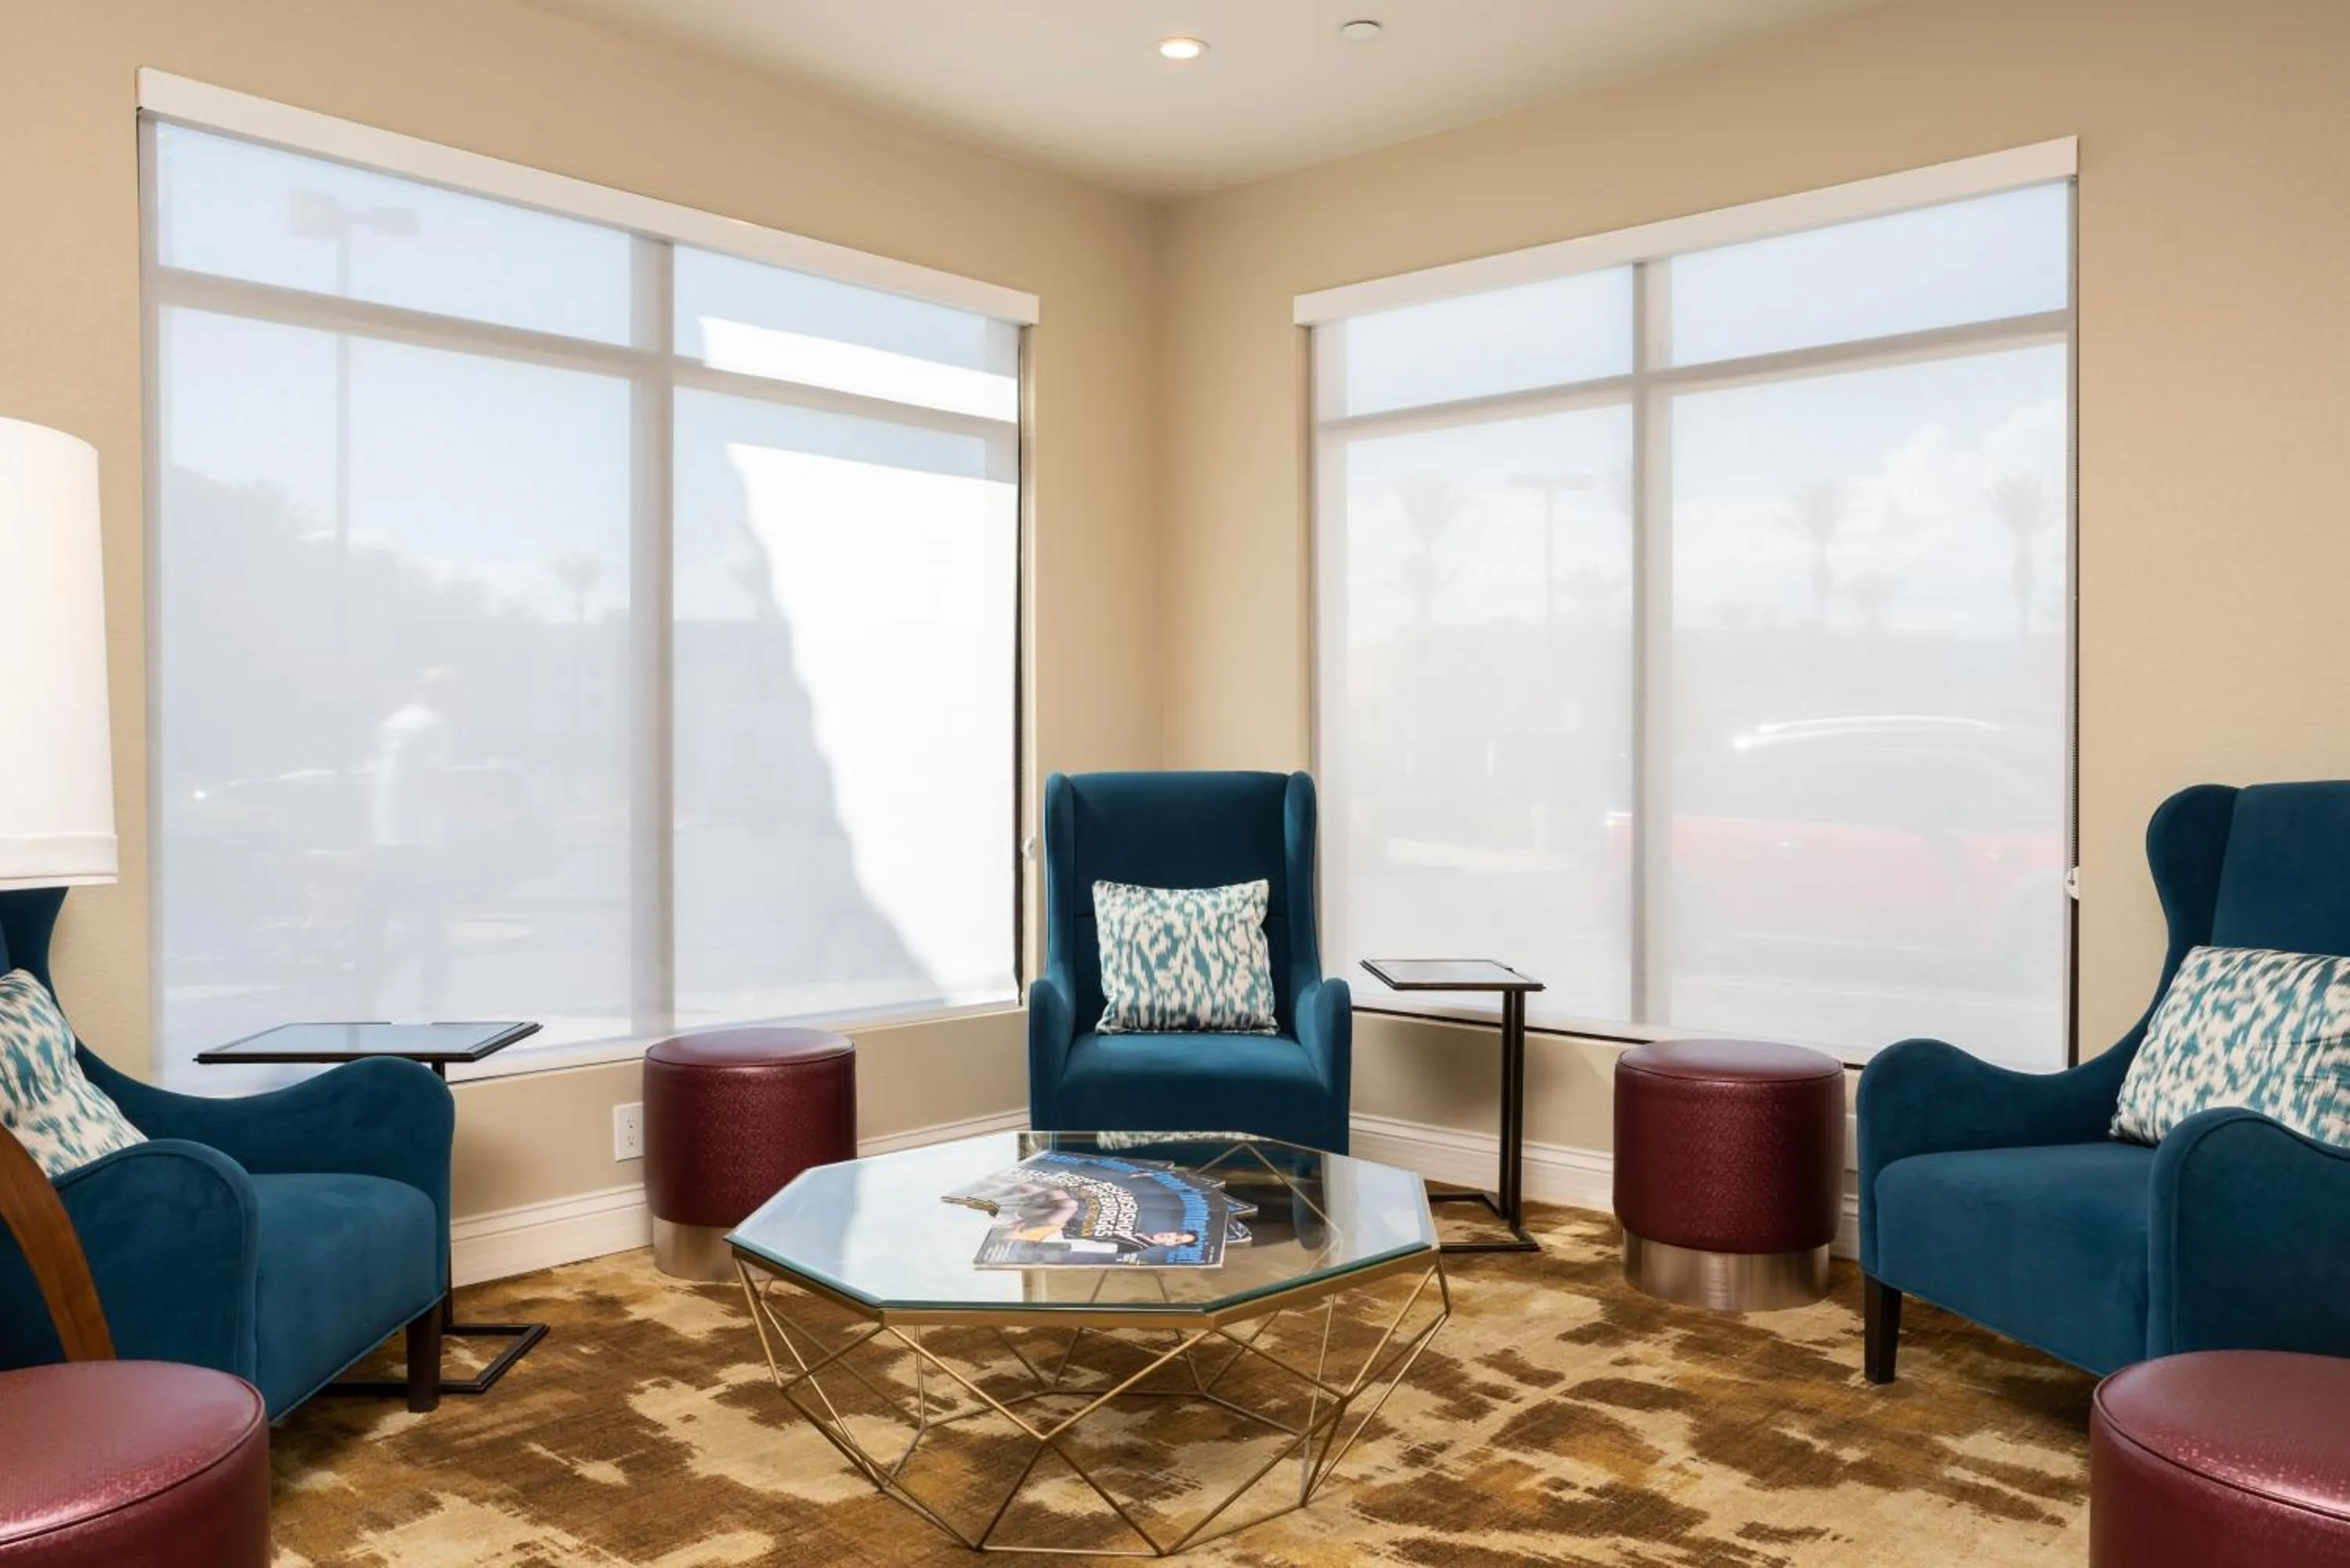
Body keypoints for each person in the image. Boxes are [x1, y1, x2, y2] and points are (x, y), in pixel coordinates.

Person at [361, 668, 457, 1014]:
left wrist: (370, 834)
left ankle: (365, 992)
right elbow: (435, 778)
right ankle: (435, 997)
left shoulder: (391, 724)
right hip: (422, 841)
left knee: (376, 919)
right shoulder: (435, 726)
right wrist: (459, 813)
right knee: (431, 922)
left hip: (386, 837)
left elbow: (371, 780)